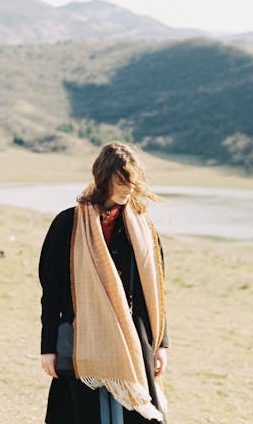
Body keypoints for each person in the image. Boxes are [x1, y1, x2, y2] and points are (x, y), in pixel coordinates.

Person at [39, 142, 169, 423]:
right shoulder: (68, 225)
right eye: (121, 180)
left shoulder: (144, 229)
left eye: (132, 180)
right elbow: (51, 292)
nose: (128, 188)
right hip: (81, 342)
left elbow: (156, 292)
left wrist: (161, 346)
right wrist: (48, 347)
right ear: (103, 177)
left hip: (134, 341)